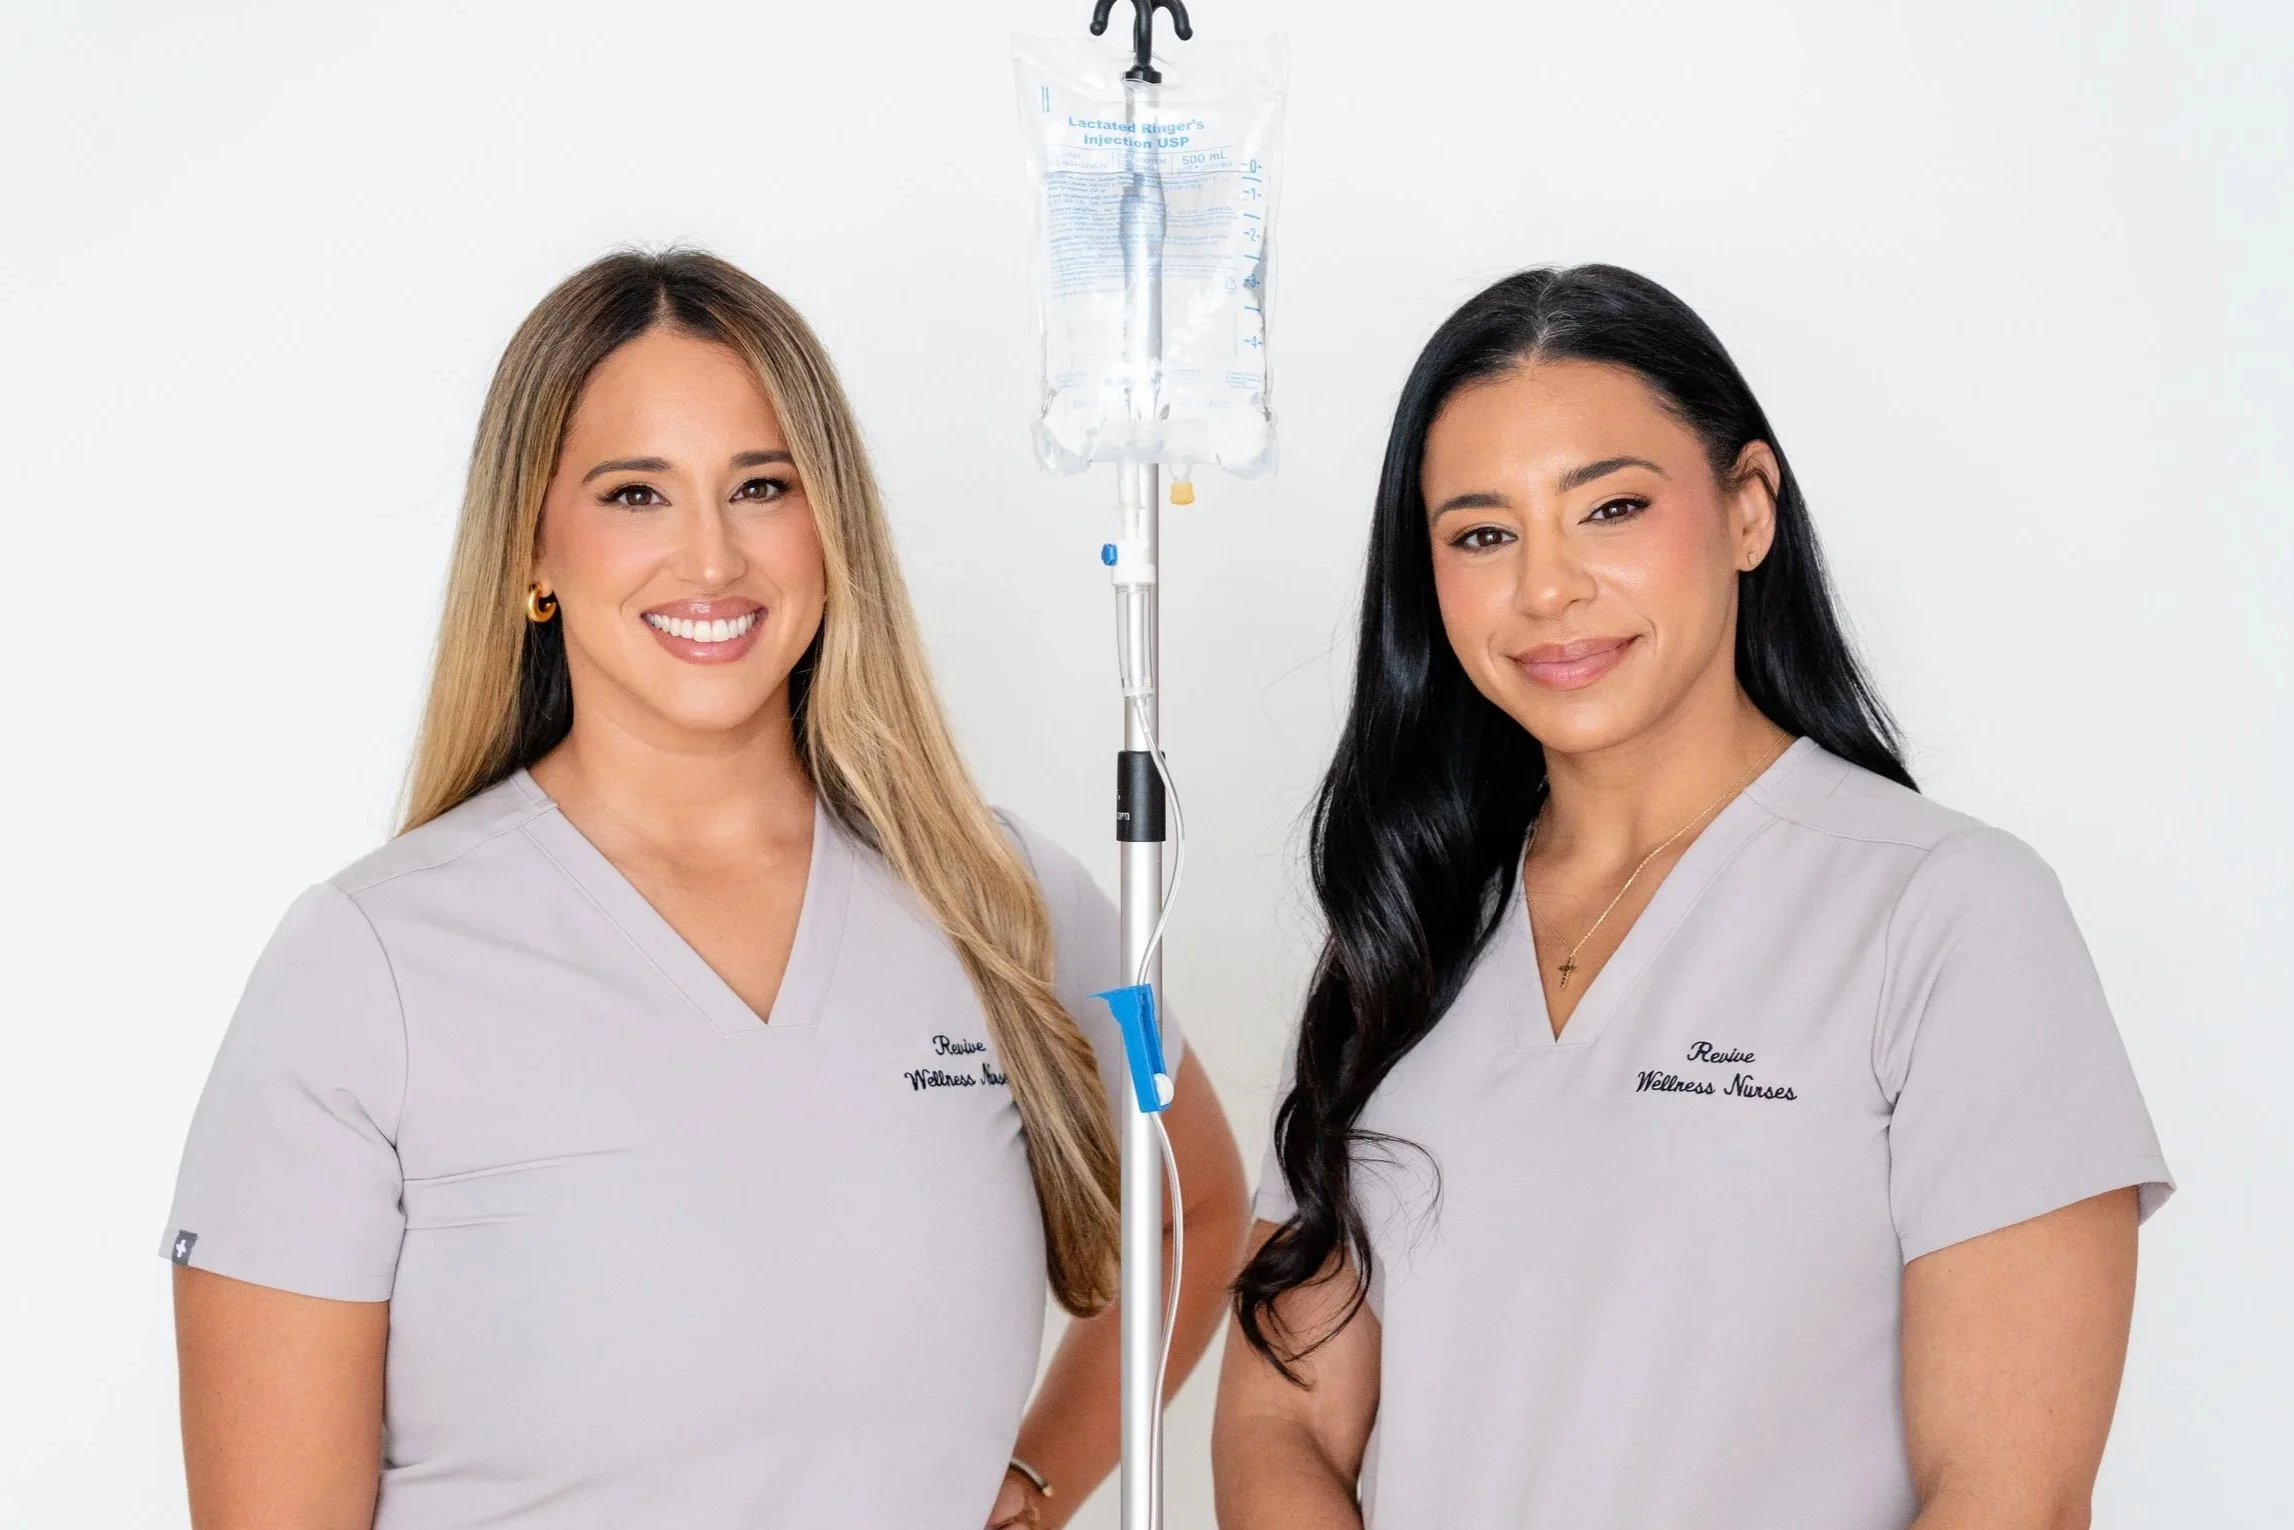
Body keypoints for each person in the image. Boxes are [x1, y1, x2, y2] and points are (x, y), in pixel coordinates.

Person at [159, 249, 1246, 1530]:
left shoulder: (1006, 904)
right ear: (533, 546)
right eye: (635, 493)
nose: (711, 557)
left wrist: (1036, 1480)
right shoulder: (368, 966)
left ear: (830, 527)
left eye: (762, 486)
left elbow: (1201, 1207)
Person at [1211, 265, 2172, 1530]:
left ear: (1747, 509)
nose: (1544, 588)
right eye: (1481, 533)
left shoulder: (1946, 916)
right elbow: (1278, 1418)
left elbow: (2011, 1497)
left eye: (1607, 508)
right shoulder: (1413, 931)